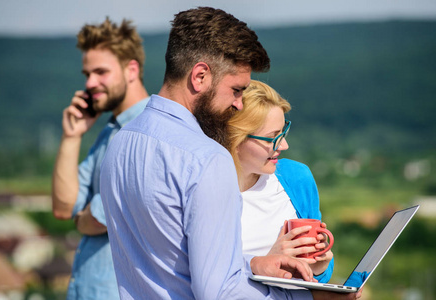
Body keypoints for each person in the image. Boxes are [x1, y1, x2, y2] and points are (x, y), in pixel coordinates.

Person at [101, 7, 362, 300]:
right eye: (236, 89)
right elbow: (219, 292)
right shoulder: (207, 158)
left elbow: (172, 260)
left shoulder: (120, 144)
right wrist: (312, 297)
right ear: (199, 76)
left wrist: (252, 264)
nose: (238, 104)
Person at [51, 17, 149, 300]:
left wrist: (82, 219)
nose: (90, 82)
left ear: (131, 69)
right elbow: (63, 207)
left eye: (100, 72)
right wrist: (72, 136)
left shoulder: (146, 130)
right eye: (86, 74)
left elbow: (100, 217)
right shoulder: (109, 131)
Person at [227, 80, 334, 283]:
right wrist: (265, 262)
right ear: (235, 138)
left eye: (283, 132)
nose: (284, 145)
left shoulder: (296, 177)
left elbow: (320, 277)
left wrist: (319, 267)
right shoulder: (205, 192)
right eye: (272, 137)